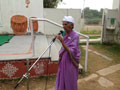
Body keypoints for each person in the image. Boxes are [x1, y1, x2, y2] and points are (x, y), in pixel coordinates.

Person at [55, 16, 81, 90]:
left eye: (66, 24)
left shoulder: (75, 36)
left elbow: (72, 51)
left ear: (71, 25)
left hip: (70, 62)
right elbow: (63, 48)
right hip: (63, 60)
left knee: (69, 78)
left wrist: (62, 41)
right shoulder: (64, 34)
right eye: (63, 24)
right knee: (62, 77)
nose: (64, 26)